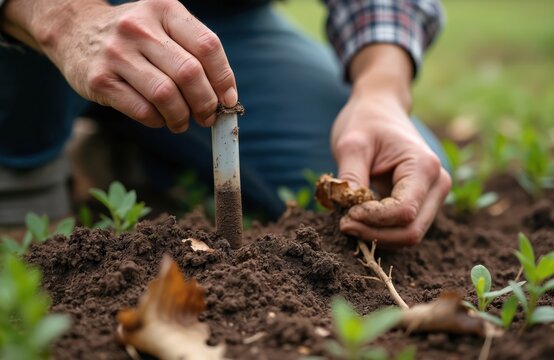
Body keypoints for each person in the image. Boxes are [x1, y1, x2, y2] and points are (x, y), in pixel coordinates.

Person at [0, 0, 451, 247]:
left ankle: (132, 147)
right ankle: (23, 170)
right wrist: (64, 20)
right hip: (33, 24)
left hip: (217, 23)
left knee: (387, 178)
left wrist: (381, 92)